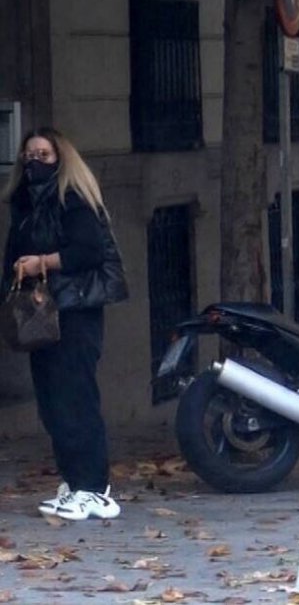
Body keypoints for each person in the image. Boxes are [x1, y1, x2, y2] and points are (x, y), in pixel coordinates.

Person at [2, 127, 128, 520]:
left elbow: (87, 250)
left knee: (75, 398)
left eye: (44, 154)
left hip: (75, 310)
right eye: (29, 155)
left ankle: (95, 488)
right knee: (53, 402)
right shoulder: (24, 202)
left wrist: (42, 263)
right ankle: (75, 483)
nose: (35, 161)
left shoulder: (72, 197)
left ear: (61, 158)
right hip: (42, 313)